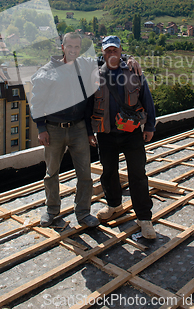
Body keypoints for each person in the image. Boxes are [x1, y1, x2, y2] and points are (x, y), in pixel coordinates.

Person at [91, 36, 157, 239]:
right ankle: (113, 205)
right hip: (106, 134)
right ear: (102, 52)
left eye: (115, 50)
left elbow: (147, 98)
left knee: (137, 175)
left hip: (132, 133)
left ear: (121, 51)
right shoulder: (94, 74)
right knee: (108, 172)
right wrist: (88, 131)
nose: (112, 54)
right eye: (108, 51)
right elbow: (87, 104)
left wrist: (150, 126)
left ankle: (144, 219)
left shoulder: (133, 71)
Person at [31, 32, 99, 228]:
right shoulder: (47, 71)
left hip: (78, 128)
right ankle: (52, 210)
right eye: (70, 46)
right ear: (62, 47)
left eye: (77, 47)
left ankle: (83, 213)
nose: (73, 50)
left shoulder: (82, 66)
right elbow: (37, 102)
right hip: (54, 130)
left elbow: (105, 59)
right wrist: (41, 128)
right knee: (51, 173)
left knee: (85, 173)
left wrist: (129, 59)